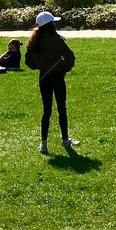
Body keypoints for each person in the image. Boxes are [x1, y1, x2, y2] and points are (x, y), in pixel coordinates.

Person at [25, 12, 78, 154]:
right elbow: (70, 57)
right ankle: (65, 140)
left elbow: (28, 62)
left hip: (44, 78)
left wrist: (40, 67)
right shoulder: (57, 40)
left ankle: (43, 143)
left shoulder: (33, 41)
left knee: (46, 110)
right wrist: (64, 69)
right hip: (58, 77)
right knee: (62, 108)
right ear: (50, 24)